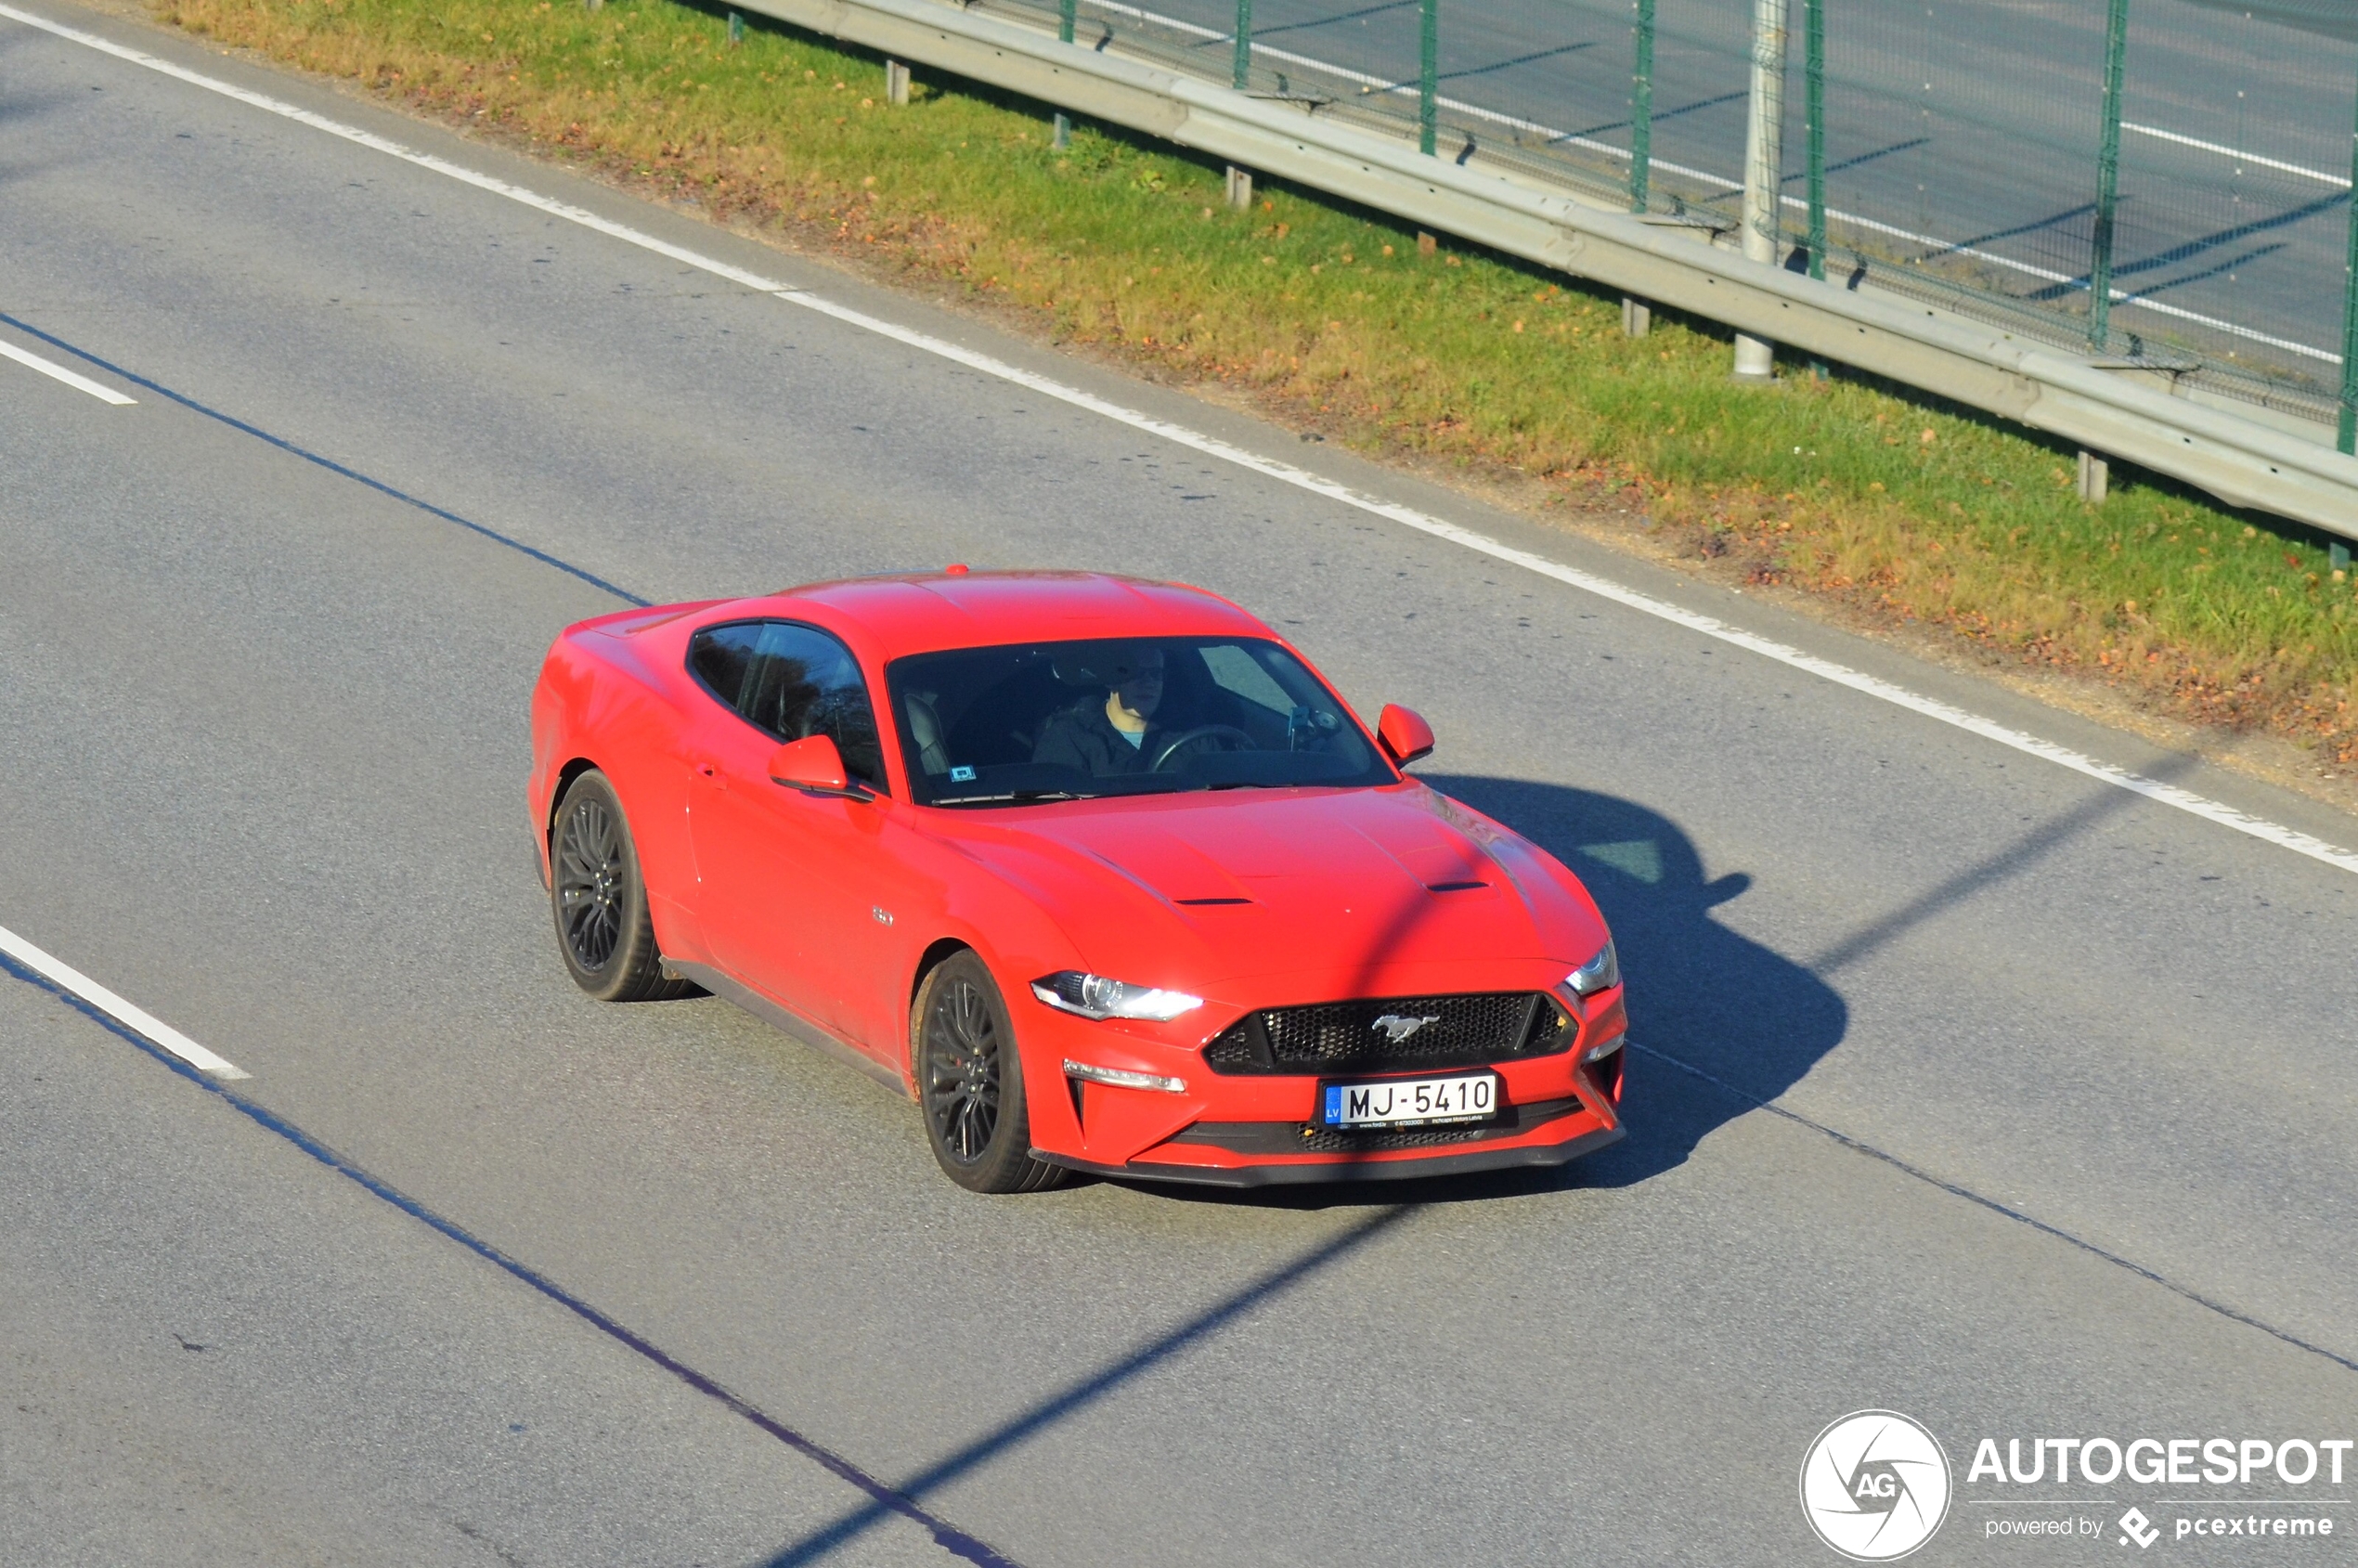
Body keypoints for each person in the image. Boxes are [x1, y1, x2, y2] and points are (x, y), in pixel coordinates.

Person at [1032, 647, 1169, 775]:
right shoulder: (1067, 738)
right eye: (1136, 673)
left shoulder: (1184, 736)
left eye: (1156, 674)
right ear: (1111, 680)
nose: (1148, 682)